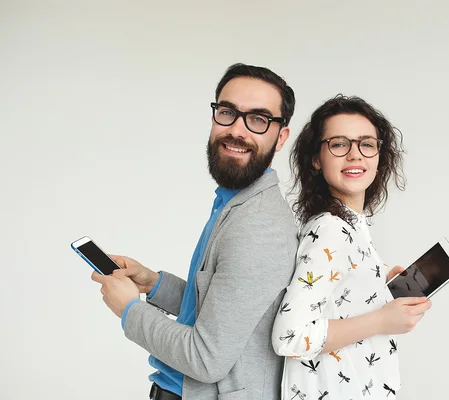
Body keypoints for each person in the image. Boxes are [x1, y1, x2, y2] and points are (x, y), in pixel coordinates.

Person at [91, 63, 299, 400]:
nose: (237, 130)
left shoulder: (258, 227)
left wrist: (129, 309)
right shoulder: (235, 201)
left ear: (280, 137)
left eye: (259, 119)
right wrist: (153, 284)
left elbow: (205, 359)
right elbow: (222, 308)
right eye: (228, 112)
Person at [272, 95, 432, 399]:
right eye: (339, 144)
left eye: (366, 144)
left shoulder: (350, 225)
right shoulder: (330, 229)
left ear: (379, 155)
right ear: (316, 159)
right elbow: (289, 336)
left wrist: (376, 281)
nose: (355, 155)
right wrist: (383, 319)